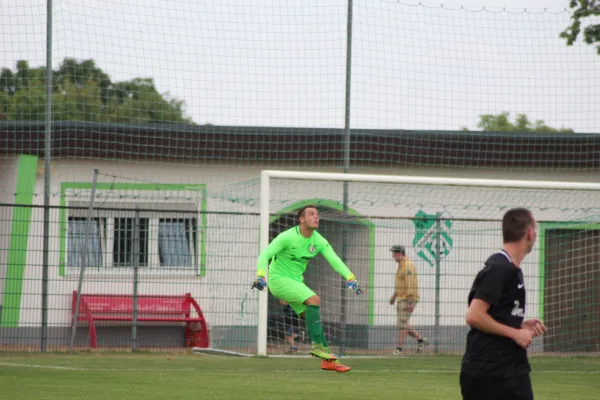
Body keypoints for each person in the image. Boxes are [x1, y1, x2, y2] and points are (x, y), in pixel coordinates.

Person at [252, 205, 365, 373]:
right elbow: (264, 255)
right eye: (312, 214)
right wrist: (261, 275)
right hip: (278, 280)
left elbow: (335, 260)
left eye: (317, 214)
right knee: (315, 299)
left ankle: (327, 360)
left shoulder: (318, 240)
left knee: (314, 320)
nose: (316, 217)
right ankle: (318, 348)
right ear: (302, 219)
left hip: (296, 282)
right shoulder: (287, 237)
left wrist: (351, 278)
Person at [460, 208, 547, 400]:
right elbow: (474, 316)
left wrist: (519, 324)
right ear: (530, 234)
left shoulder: (511, 268)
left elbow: (494, 314)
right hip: (491, 372)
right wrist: (516, 333)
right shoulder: (500, 268)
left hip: (507, 368)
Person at [389, 245, 428, 354]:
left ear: (399, 253)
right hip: (402, 298)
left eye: (394, 254)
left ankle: (399, 348)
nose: (393, 256)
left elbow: (410, 284)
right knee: (403, 324)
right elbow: (401, 283)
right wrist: (394, 296)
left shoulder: (407, 265)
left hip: (407, 298)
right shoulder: (402, 265)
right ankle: (420, 340)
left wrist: (410, 302)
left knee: (402, 324)